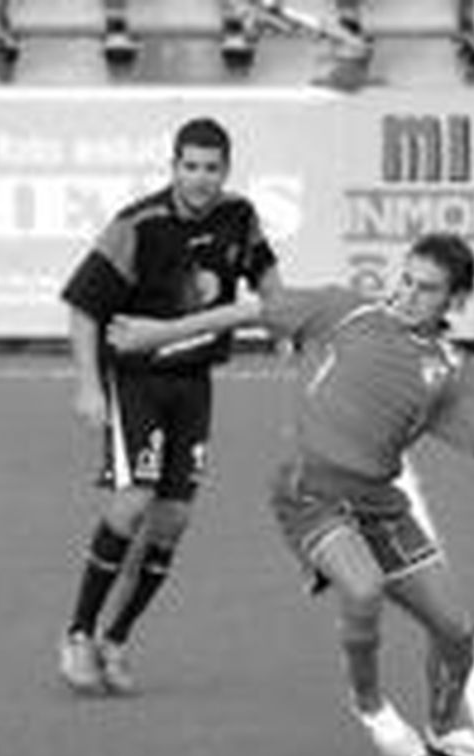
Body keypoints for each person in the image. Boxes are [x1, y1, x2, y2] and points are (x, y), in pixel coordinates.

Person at [108, 232, 474, 756]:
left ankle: (444, 728)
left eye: (427, 289)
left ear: (457, 300)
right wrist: (159, 334)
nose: (408, 294)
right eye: (407, 280)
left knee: (455, 630)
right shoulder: (343, 311)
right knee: (363, 588)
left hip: (378, 503)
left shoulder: (452, 370)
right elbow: (251, 310)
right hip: (308, 491)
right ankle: (371, 704)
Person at [56, 116, 284, 696]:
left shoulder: (240, 217)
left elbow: (266, 275)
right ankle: (79, 635)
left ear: (226, 171)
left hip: (194, 383)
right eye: (190, 166)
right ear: (173, 166)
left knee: (174, 520)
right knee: (134, 502)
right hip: (134, 381)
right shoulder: (138, 224)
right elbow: (84, 306)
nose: (201, 178)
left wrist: (285, 321)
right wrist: (86, 385)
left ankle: (117, 639)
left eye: (211, 168)